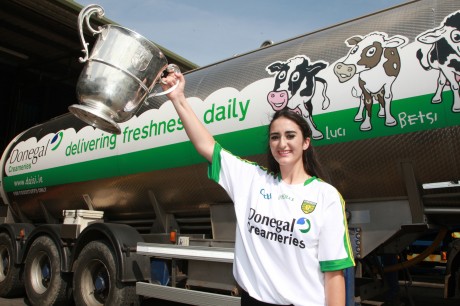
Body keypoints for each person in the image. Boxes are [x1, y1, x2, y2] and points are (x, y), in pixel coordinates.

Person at [161, 71, 355, 306]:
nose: (282, 143)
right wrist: (178, 99)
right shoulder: (252, 180)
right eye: (275, 137)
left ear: (305, 142)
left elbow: (334, 273)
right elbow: (207, 146)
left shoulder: (326, 196)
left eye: (290, 135)